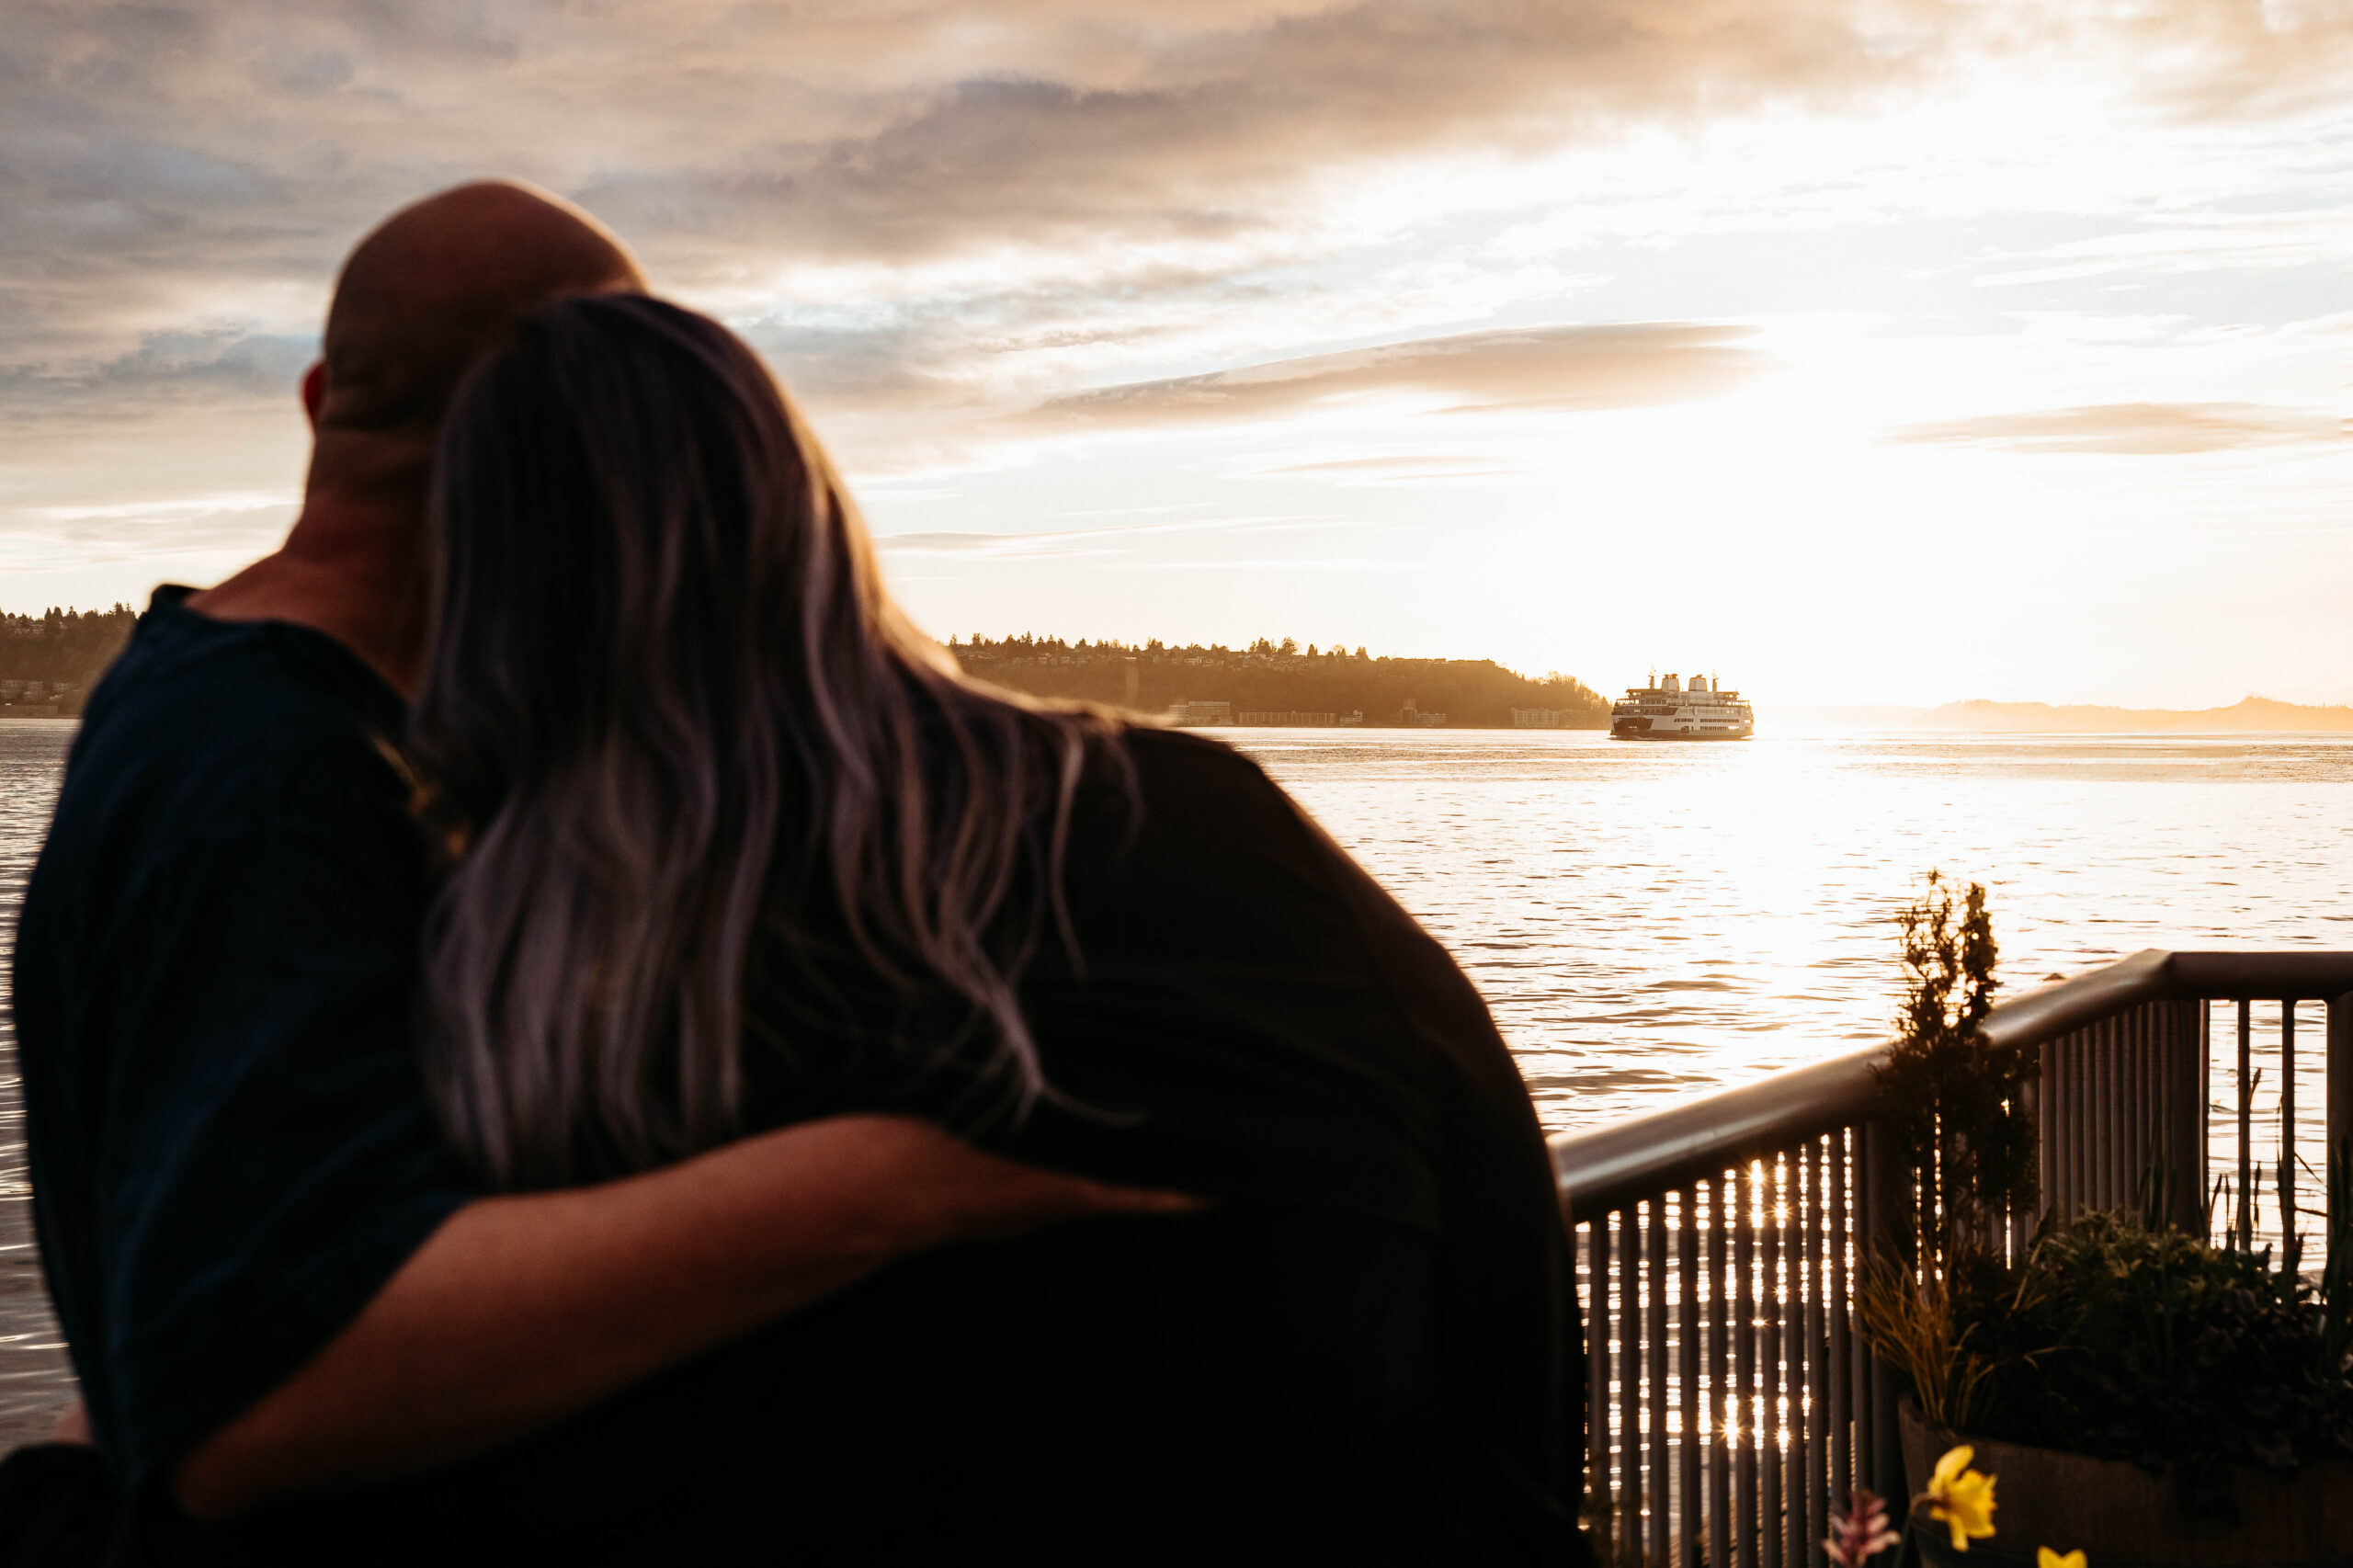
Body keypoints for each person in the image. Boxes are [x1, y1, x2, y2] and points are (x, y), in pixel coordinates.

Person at [7, 183, 1192, 1562]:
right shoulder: (265, 770)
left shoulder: (252, 714)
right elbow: (258, 1394)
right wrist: (908, 1181)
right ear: (592, 442)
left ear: (322, 395)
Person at [397, 291, 1586, 1562]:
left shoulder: (505, 983)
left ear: (486, 604)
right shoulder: (1186, 818)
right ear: (812, 524)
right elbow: (1501, 1234)